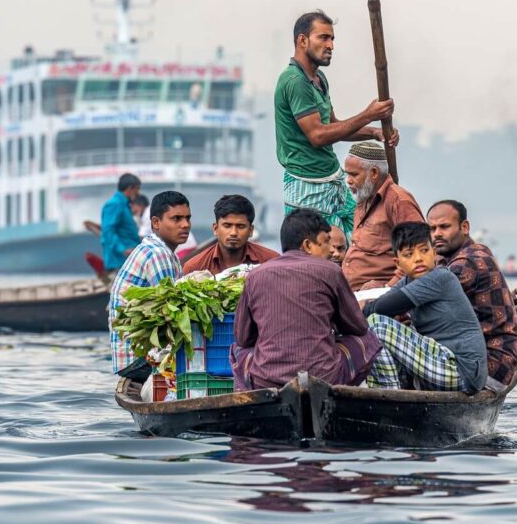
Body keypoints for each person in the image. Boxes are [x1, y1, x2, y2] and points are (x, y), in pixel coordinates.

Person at [274, 10, 399, 235]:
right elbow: (318, 136)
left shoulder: (319, 79)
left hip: (333, 178)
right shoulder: (294, 81)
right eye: (323, 38)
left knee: (362, 240)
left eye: (332, 39)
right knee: (322, 255)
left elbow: (334, 127)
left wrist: (374, 132)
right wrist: (369, 114)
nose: (331, 45)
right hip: (307, 187)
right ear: (302, 41)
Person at [230, 208, 381, 390]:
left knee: (236, 350)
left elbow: (243, 338)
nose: (331, 252)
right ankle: (344, 397)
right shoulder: (330, 271)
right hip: (325, 377)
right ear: (308, 245)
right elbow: (357, 327)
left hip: (267, 379)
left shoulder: (255, 275)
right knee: (368, 338)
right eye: (326, 242)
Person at [362, 222, 487, 395]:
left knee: (376, 324)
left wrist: (362, 310)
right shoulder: (406, 282)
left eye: (424, 250)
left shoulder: (440, 277)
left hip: (462, 371)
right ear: (398, 263)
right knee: (372, 328)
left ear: (434, 253)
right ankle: (391, 391)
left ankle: (389, 396)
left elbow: (380, 308)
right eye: (409, 254)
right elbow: (381, 304)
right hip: (438, 364)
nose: (418, 258)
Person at [427, 200, 517, 390]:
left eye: (444, 227)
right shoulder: (453, 257)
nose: (437, 233)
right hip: (489, 361)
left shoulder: (467, 262)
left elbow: (420, 304)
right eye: (432, 228)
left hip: (489, 369)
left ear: (465, 227)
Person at [108, 191, 191, 373]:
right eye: (176, 219)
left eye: (187, 218)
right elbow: (174, 311)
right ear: (156, 222)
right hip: (136, 359)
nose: (185, 225)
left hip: (134, 357)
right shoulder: (158, 253)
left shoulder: (160, 249)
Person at [342, 141, 424, 290]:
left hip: (378, 296)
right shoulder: (363, 197)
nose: (348, 180)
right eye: (347, 174)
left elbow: (419, 254)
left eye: (353, 174)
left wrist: (387, 288)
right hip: (354, 293)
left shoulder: (399, 201)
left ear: (374, 173)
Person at [182, 194, 279, 275]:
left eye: (240, 226)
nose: (233, 233)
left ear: (250, 230)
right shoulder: (194, 267)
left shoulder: (271, 261)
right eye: (227, 226)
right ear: (215, 229)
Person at [101, 173, 142, 274]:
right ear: (130, 188)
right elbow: (108, 231)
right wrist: (123, 249)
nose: (138, 193)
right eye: (137, 189)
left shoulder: (124, 205)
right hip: (119, 261)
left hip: (128, 260)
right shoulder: (114, 204)